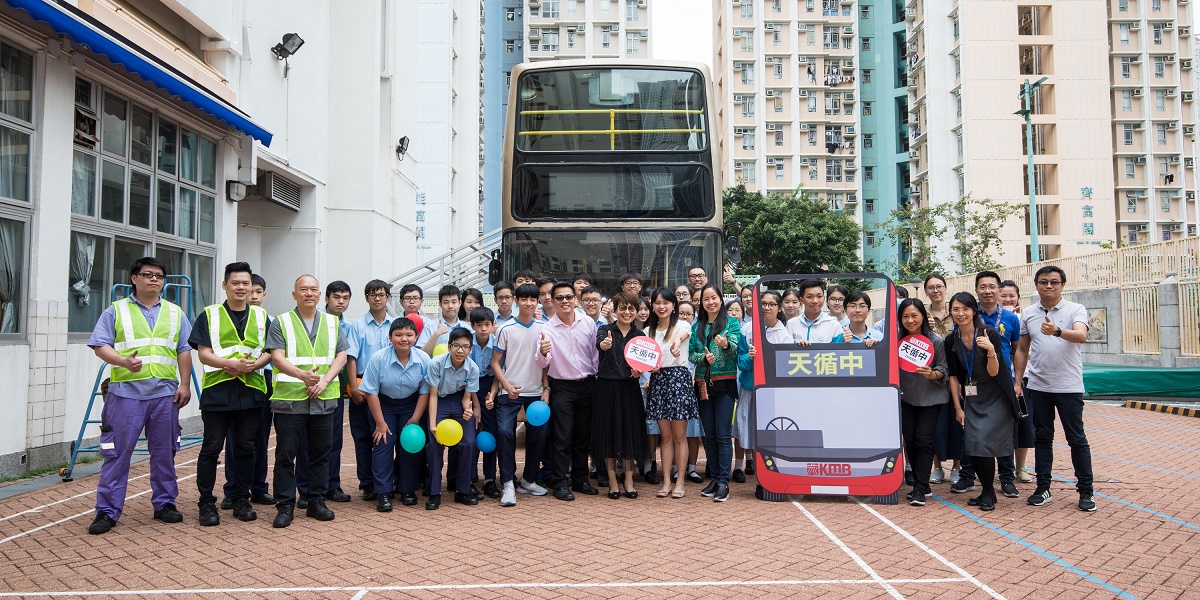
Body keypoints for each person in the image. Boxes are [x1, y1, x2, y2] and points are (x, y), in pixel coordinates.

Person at [86, 257, 193, 535]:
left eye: (159, 275)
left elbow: (183, 349)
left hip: (165, 396)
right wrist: (122, 362)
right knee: (117, 455)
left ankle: (165, 504)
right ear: (134, 278)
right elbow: (99, 345)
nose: (154, 279)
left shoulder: (175, 312)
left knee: (165, 453)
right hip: (125, 395)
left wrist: (185, 384)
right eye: (147, 274)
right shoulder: (116, 311)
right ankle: (107, 511)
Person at [191, 262, 273, 526]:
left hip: (251, 391)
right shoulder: (210, 314)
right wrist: (230, 364)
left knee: (246, 448)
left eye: (246, 283)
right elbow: (203, 352)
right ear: (225, 285)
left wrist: (255, 365)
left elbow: (272, 350)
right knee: (211, 448)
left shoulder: (262, 317)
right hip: (218, 391)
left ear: (251, 287)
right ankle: (206, 504)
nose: (241, 288)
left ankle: (241, 499)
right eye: (236, 283)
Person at [266, 275, 350, 528]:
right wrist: (302, 376)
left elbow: (342, 355)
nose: (309, 294)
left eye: (314, 289)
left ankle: (316, 501)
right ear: (294, 295)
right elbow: (277, 357)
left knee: (321, 454)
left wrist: (324, 381)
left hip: (323, 399)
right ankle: (285, 506)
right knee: (285, 455)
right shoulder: (281, 322)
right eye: (303, 290)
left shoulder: (332, 322)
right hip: (290, 401)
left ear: (320, 295)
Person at [1013, 265, 1095, 512]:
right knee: (1042, 438)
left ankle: (1086, 491)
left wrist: (1057, 331)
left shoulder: (1075, 309)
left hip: (1068, 387)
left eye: (1054, 282)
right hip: (1038, 386)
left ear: (1063, 284)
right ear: (1036, 285)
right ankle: (1043, 487)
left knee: (1076, 439)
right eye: (1043, 282)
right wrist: (1018, 382)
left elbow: (1081, 336)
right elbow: (1022, 349)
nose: (1049, 286)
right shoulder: (1029, 312)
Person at [946, 292, 1018, 512]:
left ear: (973, 311)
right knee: (974, 444)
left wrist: (990, 351)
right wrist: (958, 408)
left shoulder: (990, 334)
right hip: (972, 394)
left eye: (965, 309)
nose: (961, 314)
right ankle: (986, 491)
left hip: (995, 393)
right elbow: (953, 376)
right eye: (956, 309)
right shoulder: (952, 340)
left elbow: (996, 372)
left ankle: (988, 492)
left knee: (984, 443)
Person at [359, 317, 430, 512]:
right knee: (383, 443)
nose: (404, 339)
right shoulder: (378, 359)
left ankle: (407, 489)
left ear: (416, 337)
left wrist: (415, 419)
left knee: (409, 445)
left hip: (411, 405)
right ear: (390, 337)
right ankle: (383, 492)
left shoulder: (423, 359)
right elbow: (371, 392)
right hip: (384, 404)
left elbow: (425, 392)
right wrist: (380, 423)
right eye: (398, 335)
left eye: (409, 335)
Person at [538, 281, 600, 501]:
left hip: (587, 384)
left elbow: (595, 352)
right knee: (562, 436)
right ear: (552, 301)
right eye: (559, 298)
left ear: (575, 299)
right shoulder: (546, 328)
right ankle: (560, 482)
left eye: (568, 297)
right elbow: (541, 362)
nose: (564, 301)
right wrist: (543, 353)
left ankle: (581, 479)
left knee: (583, 436)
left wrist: (595, 374)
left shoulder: (588, 323)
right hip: (562, 386)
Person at [490, 283, 550, 507]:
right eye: (523, 299)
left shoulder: (543, 328)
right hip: (510, 392)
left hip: (535, 393)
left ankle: (528, 480)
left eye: (532, 299)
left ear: (537, 302)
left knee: (540, 435)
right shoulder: (506, 329)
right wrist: (506, 385)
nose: (528, 303)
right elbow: (495, 362)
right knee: (505, 433)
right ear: (516, 301)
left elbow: (546, 364)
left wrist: (546, 389)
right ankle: (507, 483)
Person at [295, 281, 355, 507]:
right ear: (326, 298)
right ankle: (305, 489)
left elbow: (344, 357)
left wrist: (328, 381)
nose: (341, 301)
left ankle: (332, 485)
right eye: (336, 297)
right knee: (304, 442)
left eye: (345, 297)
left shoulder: (349, 325)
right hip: (303, 387)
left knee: (333, 440)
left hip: (331, 389)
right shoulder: (310, 321)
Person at [220, 274, 276, 510]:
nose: (252, 295)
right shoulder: (224, 317)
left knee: (260, 438)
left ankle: (259, 487)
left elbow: (274, 351)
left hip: (262, 381)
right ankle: (232, 489)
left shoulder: (270, 320)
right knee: (235, 440)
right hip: (231, 382)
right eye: (248, 289)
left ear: (264, 294)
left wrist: (257, 365)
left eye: (257, 291)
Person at [976, 271, 1032, 487]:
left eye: (992, 286)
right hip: (977, 384)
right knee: (976, 429)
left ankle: (1007, 477)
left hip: (1004, 383)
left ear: (999, 290)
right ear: (977, 290)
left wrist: (1017, 382)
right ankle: (971, 476)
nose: (987, 291)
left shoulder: (1011, 319)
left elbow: (1019, 352)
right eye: (983, 286)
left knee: (1005, 431)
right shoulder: (970, 315)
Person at [594, 292, 649, 499]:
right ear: (615, 310)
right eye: (622, 308)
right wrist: (604, 345)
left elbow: (643, 365)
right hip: (607, 389)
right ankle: (612, 480)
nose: (627, 312)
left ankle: (628, 479)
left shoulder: (640, 337)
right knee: (608, 434)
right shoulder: (604, 330)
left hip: (630, 390)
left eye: (631, 308)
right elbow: (601, 345)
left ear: (636, 311)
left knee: (629, 434)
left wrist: (639, 372)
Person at [896, 299, 950, 506]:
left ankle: (919, 487)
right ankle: (923, 482)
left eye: (914, 315)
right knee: (909, 439)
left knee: (924, 440)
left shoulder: (935, 341)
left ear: (923, 316)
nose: (910, 320)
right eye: (905, 316)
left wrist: (933, 373)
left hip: (930, 399)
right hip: (905, 398)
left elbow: (944, 369)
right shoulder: (896, 341)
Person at [346, 279, 396, 501]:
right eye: (373, 295)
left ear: (387, 298)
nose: (377, 298)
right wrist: (354, 389)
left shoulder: (395, 324)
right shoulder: (356, 326)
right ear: (366, 298)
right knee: (363, 437)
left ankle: (385, 481)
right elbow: (351, 358)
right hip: (362, 386)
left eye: (382, 294)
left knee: (384, 437)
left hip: (388, 388)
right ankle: (367, 482)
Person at [690, 283, 740, 502]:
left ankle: (723, 482)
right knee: (708, 436)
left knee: (722, 435)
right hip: (702, 386)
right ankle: (714, 477)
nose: (710, 302)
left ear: (721, 300)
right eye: (706, 299)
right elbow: (691, 353)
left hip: (724, 385)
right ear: (701, 303)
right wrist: (702, 358)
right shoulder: (697, 326)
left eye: (714, 298)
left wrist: (725, 344)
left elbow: (736, 347)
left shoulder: (731, 322)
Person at [737, 290, 790, 492]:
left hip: (773, 394)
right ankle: (760, 478)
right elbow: (740, 362)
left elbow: (786, 368)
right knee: (751, 435)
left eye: (771, 304)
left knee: (771, 437)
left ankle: (770, 480)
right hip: (750, 390)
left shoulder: (784, 335)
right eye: (763, 304)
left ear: (779, 308)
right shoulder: (747, 329)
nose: (766, 308)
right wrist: (749, 359)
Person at [645, 288, 695, 498]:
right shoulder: (648, 331)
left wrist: (676, 342)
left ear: (674, 305)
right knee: (664, 437)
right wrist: (650, 368)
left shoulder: (682, 324)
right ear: (653, 306)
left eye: (666, 302)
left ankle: (680, 482)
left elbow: (682, 336)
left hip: (679, 380)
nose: (662, 306)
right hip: (658, 381)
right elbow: (646, 360)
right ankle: (666, 482)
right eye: (657, 303)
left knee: (679, 436)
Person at [425, 328, 481, 509]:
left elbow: (467, 399)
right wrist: (433, 424)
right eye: (456, 345)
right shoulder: (436, 364)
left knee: (469, 442)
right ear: (449, 347)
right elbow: (432, 395)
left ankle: (462, 490)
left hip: (458, 401)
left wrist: (468, 411)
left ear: (470, 350)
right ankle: (434, 493)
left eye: (465, 347)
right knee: (435, 444)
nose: (460, 350)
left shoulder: (473, 368)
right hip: (439, 401)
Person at [468, 307, 501, 498]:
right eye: (479, 325)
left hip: (490, 387)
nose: (483, 329)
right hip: (469, 389)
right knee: (471, 434)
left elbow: (498, 371)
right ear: (472, 326)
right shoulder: (468, 344)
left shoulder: (497, 343)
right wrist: (476, 404)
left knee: (491, 434)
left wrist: (492, 395)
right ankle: (470, 478)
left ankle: (489, 479)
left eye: (487, 325)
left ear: (493, 325)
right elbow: (468, 377)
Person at [676, 301, 704, 484]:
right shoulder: (672, 330)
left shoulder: (697, 333)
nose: (685, 316)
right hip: (676, 386)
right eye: (681, 313)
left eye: (688, 314)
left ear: (694, 316)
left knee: (693, 430)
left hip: (694, 385)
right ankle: (675, 469)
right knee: (676, 432)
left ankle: (692, 468)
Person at [786, 279, 845, 345]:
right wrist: (798, 348)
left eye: (819, 296)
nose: (815, 301)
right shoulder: (791, 324)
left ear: (824, 298)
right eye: (809, 297)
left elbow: (837, 352)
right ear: (801, 300)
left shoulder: (834, 325)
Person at [422, 285, 468, 356]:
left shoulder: (467, 328)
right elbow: (421, 355)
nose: (450, 306)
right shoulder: (430, 326)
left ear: (460, 303)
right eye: (446, 302)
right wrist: (436, 334)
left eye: (454, 302)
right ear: (440, 304)